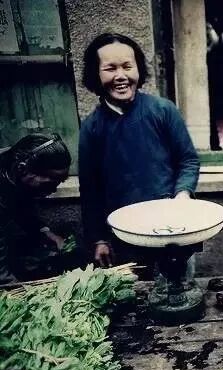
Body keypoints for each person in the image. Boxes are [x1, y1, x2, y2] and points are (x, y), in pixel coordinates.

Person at [79, 33, 200, 271]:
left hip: (173, 228)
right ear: (96, 74)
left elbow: (188, 160)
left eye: (127, 66)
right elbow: (90, 190)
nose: (120, 76)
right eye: (110, 68)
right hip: (124, 237)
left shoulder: (163, 110)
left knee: (180, 286)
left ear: (139, 70)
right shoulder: (92, 128)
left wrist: (182, 195)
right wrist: (99, 239)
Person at [0, 133, 71, 285]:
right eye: (49, 183)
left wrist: (46, 232)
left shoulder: (14, 167)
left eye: (59, 183)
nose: (53, 190)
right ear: (22, 168)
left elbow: (22, 208)